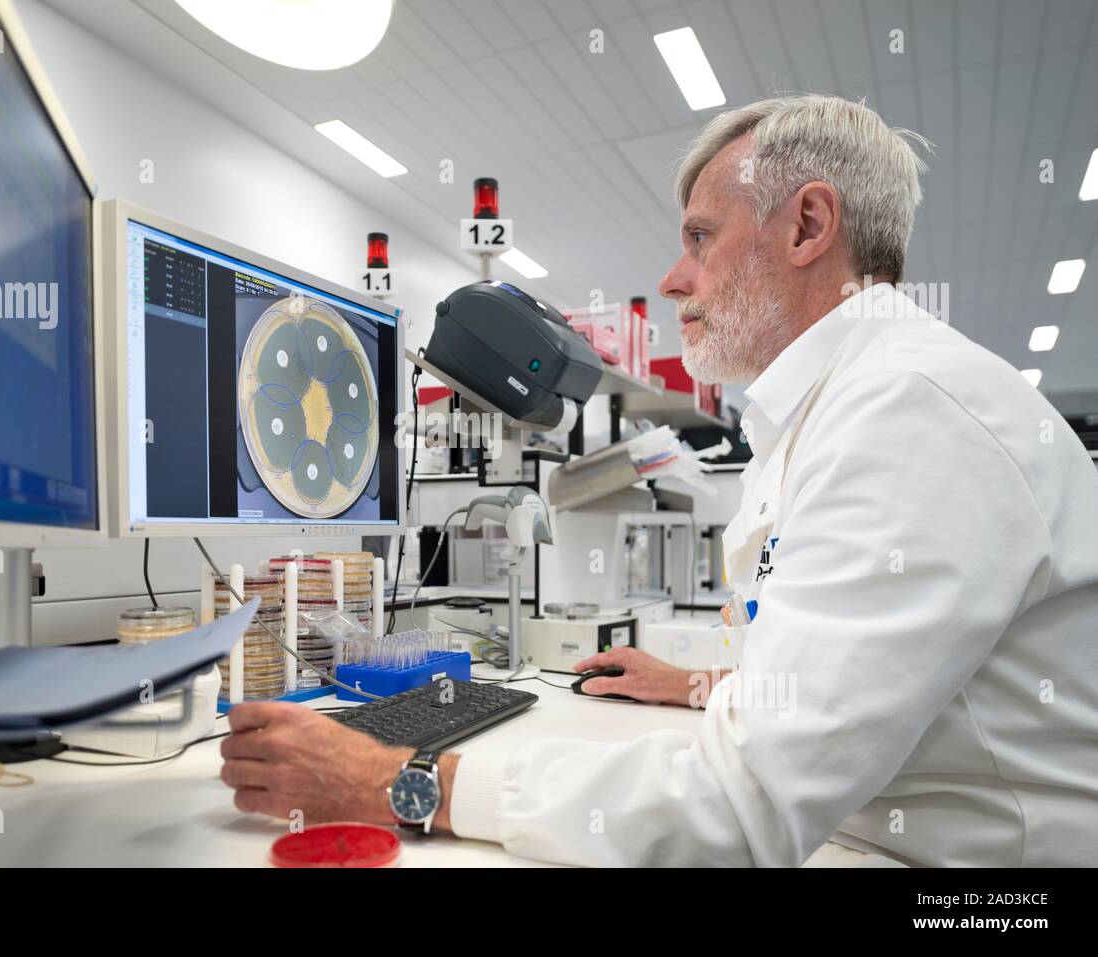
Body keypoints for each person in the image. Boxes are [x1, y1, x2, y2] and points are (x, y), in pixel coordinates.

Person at [220, 95, 1098, 867]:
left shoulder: (909, 414)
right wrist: (689, 686)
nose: (674, 279)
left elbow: (734, 814)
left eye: (700, 238)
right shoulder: (839, 408)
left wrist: (407, 781)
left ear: (806, 226)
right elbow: (853, 689)